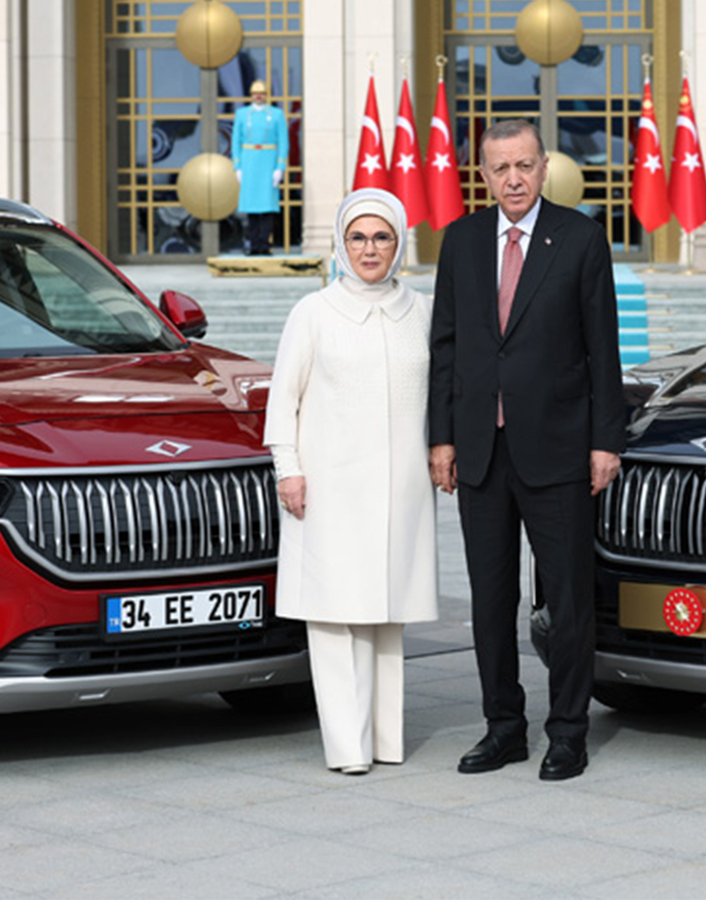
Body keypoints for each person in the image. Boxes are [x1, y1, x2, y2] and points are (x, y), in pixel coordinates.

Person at [428, 119, 625, 782]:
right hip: (481, 450)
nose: (513, 179)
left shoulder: (580, 238)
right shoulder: (461, 241)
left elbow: (603, 349)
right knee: (489, 600)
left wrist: (605, 441)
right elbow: (446, 346)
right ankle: (503, 728)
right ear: (483, 175)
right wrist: (442, 436)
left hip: (560, 448)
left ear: (544, 168)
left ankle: (567, 731)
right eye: (500, 168)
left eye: (524, 165)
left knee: (567, 600)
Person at [263, 188, 438, 775]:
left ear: (399, 243)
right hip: (331, 487)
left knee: (387, 613)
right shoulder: (313, 312)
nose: (369, 249)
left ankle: (385, 740)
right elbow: (283, 399)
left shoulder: (421, 310)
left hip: (402, 488)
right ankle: (347, 747)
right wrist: (288, 469)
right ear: (341, 243)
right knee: (336, 612)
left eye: (382, 237)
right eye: (358, 237)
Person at [232, 80, 288, 256]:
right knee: (252, 208)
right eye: (255, 93)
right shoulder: (242, 114)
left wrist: (279, 167)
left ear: (266, 95)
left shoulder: (276, 114)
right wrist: (237, 166)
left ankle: (265, 244)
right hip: (249, 162)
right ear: (251, 95)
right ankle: (253, 244)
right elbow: (236, 141)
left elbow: (283, 141)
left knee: (267, 207)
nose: (258, 96)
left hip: (268, 161)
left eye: (261, 93)